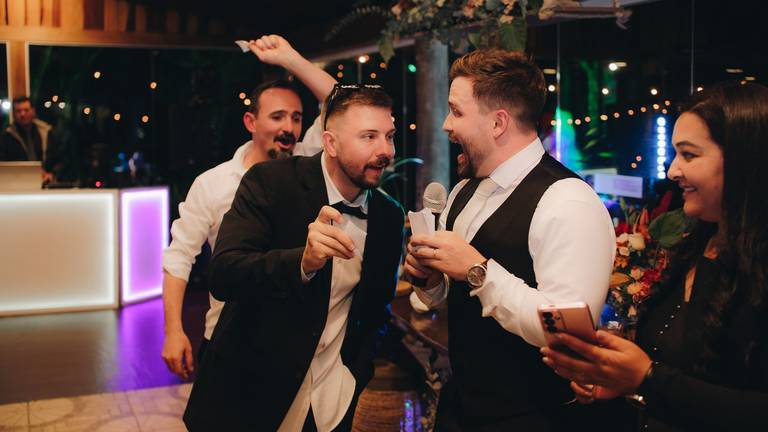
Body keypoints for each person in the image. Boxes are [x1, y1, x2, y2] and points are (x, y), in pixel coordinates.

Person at [403, 49, 615, 430]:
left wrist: (478, 271)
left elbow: (567, 331)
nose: (446, 125)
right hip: (462, 405)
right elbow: (448, 298)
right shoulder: (463, 191)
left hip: (533, 417)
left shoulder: (568, 201)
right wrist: (431, 280)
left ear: (498, 123)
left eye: (456, 112)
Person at [540, 81, 768, 431]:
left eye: (689, 155)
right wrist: (622, 383)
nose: (672, 171)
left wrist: (646, 378)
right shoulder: (698, 246)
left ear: (742, 160)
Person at [182, 84, 404, 431]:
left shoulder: (389, 215)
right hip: (248, 394)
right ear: (331, 143)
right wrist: (302, 262)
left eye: (389, 136)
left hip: (332, 401)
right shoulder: (270, 182)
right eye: (369, 137)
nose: (385, 151)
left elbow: (377, 309)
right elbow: (224, 273)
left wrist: (355, 372)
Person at [161, 35, 335, 380]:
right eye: (278, 117)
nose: (288, 128)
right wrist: (174, 330)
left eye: (296, 118)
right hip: (230, 337)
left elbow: (339, 101)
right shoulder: (213, 183)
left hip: (296, 339)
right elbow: (179, 257)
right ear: (250, 122)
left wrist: (289, 58)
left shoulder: (309, 162)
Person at [0, 96, 60, 182]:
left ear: (33, 111)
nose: (22, 114)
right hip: (18, 183)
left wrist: (52, 174)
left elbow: (58, 159)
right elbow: (4, 165)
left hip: (46, 183)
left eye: (26, 110)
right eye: (18, 111)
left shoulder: (46, 132)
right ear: (13, 114)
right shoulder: (7, 136)